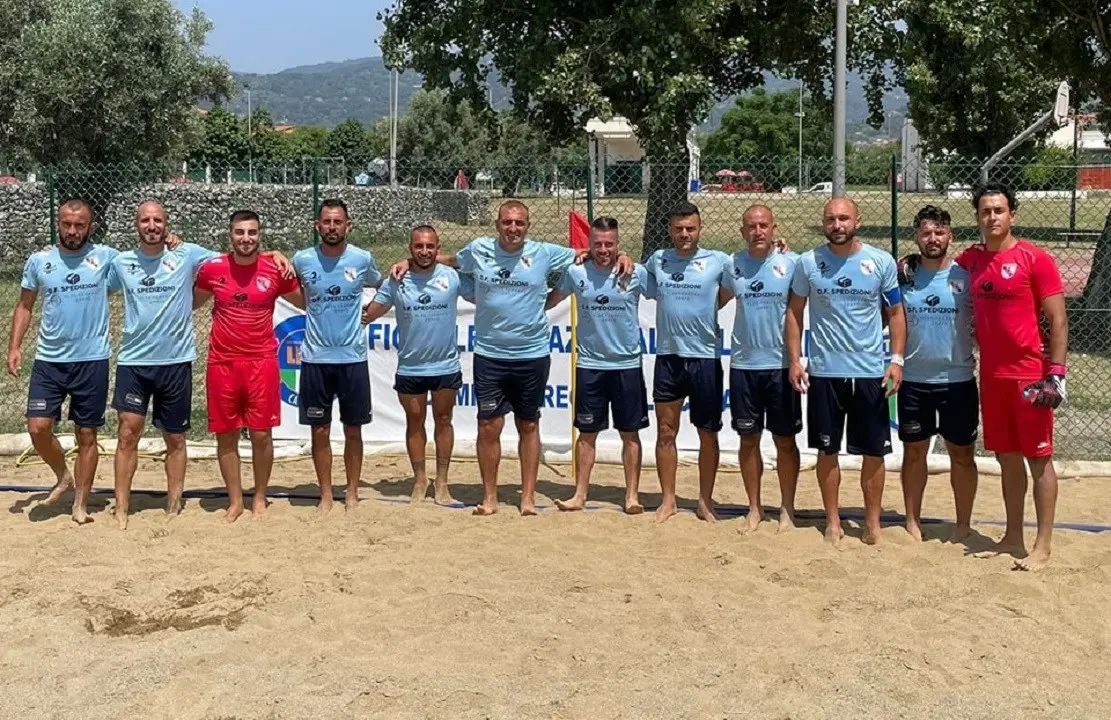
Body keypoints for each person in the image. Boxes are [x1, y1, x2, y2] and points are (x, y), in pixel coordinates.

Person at [390, 200, 630, 516]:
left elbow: (593, 253)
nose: (513, 229)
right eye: (507, 222)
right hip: (490, 354)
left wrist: (624, 255)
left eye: (519, 223)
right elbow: (449, 260)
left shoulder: (545, 252)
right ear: (498, 224)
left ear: (527, 226)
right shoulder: (478, 249)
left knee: (528, 425)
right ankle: (489, 498)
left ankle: (527, 497)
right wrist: (410, 260)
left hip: (532, 354)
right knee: (488, 425)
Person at [951, 184, 1066, 571]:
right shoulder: (970, 260)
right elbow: (934, 263)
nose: (992, 217)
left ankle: (1043, 545)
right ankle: (1012, 535)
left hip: (1031, 377)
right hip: (992, 377)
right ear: (978, 217)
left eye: (999, 210)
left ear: (1012, 214)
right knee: (1007, 459)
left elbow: (1058, 319)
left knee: (1039, 459)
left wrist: (1057, 374)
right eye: (985, 211)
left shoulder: (1035, 259)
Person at [786, 197, 906, 545]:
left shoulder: (880, 262)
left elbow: (896, 314)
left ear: (857, 220)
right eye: (830, 219)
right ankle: (833, 521)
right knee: (827, 451)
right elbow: (794, 313)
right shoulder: (808, 263)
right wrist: (795, 360)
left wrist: (896, 361)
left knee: (874, 452)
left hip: (869, 373)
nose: (837, 225)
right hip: (824, 374)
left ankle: (872, 523)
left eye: (843, 218)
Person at [7, 198, 118, 524]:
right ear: (59, 223)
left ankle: (79, 505)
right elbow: (25, 306)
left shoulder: (107, 258)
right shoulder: (40, 260)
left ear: (90, 227)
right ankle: (63, 475)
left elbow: (147, 261)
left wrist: (171, 241)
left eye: (79, 225)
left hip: (92, 360)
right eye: (66, 224)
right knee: (38, 428)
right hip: (49, 361)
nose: (72, 231)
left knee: (87, 435)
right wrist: (15, 347)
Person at [194, 210, 302, 523]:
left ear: (260, 235)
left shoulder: (275, 268)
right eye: (239, 232)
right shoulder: (212, 269)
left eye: (252, 232)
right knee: (226, 436)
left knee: (261, 434)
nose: (246, 238)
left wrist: (301, 268)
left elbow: (307, 301)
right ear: (230, 235)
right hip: (222, 363)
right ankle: (235, 500)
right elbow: (188, 302)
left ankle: (259, 495)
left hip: (261, 362)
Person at [545, 216, 649, 514]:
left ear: (619, 244)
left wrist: (629, 258)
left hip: (627, 365)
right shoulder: (575, 272)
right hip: (590, 365)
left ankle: (631, 496)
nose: (603, 249)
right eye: (598, 244)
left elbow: (664, 284)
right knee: (587, 433)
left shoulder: (636, 273)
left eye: (610, 244)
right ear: (589, 244)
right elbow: (551, 300)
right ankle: (579, 495)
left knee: (630, 433)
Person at [363, 225, 473, 505]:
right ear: (410, 248)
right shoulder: (397, 279)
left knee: (444, 421)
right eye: (418, 247)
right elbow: (373, 311)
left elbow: (485, 289)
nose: (424, 251)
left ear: (438, 248)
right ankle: (420, 479)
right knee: (414, 423)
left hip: (445, 366)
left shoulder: (452, 277)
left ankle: (443, 482)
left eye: (430, 246)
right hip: (410, 368)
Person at [644, 201, 733, 523]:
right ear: (670, 230)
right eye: (679, 229)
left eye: (690, 228)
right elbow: (643, 284)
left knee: (707, 432)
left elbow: (728, 293)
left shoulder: (718, 261)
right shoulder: (658, 260)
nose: (684, 234)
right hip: (668, 357)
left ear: (699, 229)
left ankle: (705, 501)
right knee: (666, 431)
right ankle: (667, 500)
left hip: (705, 357)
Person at [292, 199, 382, 514]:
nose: (332, 227)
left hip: (352, 358)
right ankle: (326, 494)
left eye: (338, 222)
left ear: (348, 225)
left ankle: (353, 491)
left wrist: (370, 314)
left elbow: (381, 285)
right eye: (326, 222)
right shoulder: (302, 260)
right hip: (316, 359)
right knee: (319, 430)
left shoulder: (362, 258)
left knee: (353, 429)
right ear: (318, 226)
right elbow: (285, 282)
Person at [896, 205, 978, 542]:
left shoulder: (965, 276)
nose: (933, 238)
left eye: (940, 232)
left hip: (957, 380)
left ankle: (962, 524)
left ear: (950, 236)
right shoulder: (903, 274)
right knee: (915, 452)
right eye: (926, 232)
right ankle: (912, 521)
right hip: (914, 379)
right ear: (916, 236)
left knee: (961, 453)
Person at [719, 205, 802, 533]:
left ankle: (787, 508)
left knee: (785, 441)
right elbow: (717, 298)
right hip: (744, 367)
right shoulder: (732, 265)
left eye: (763, 225)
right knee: (748, 440)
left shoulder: (791, 263)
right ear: (742, 231)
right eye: (751, 226)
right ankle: (754, 508)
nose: (757, 231)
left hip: (781, 367)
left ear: (773, 228)